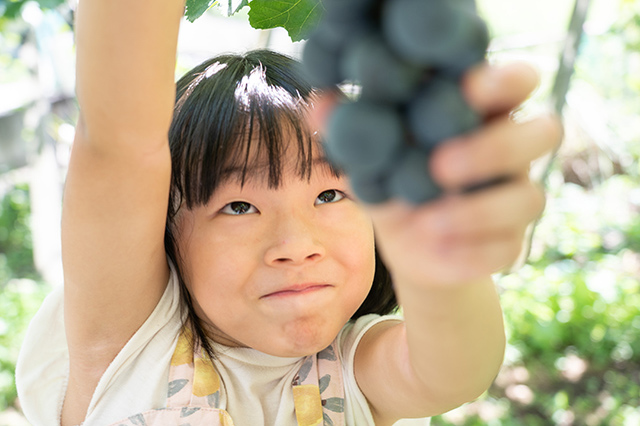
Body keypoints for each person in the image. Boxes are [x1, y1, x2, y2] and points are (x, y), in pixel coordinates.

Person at [15, 0, 562, 425]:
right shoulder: (129, 344)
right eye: (238, 205)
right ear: (162, 234)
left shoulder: (351, 371)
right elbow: (121, 139)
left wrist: (442, 262)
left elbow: (455, 369)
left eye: (329, 196)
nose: (295, 244)